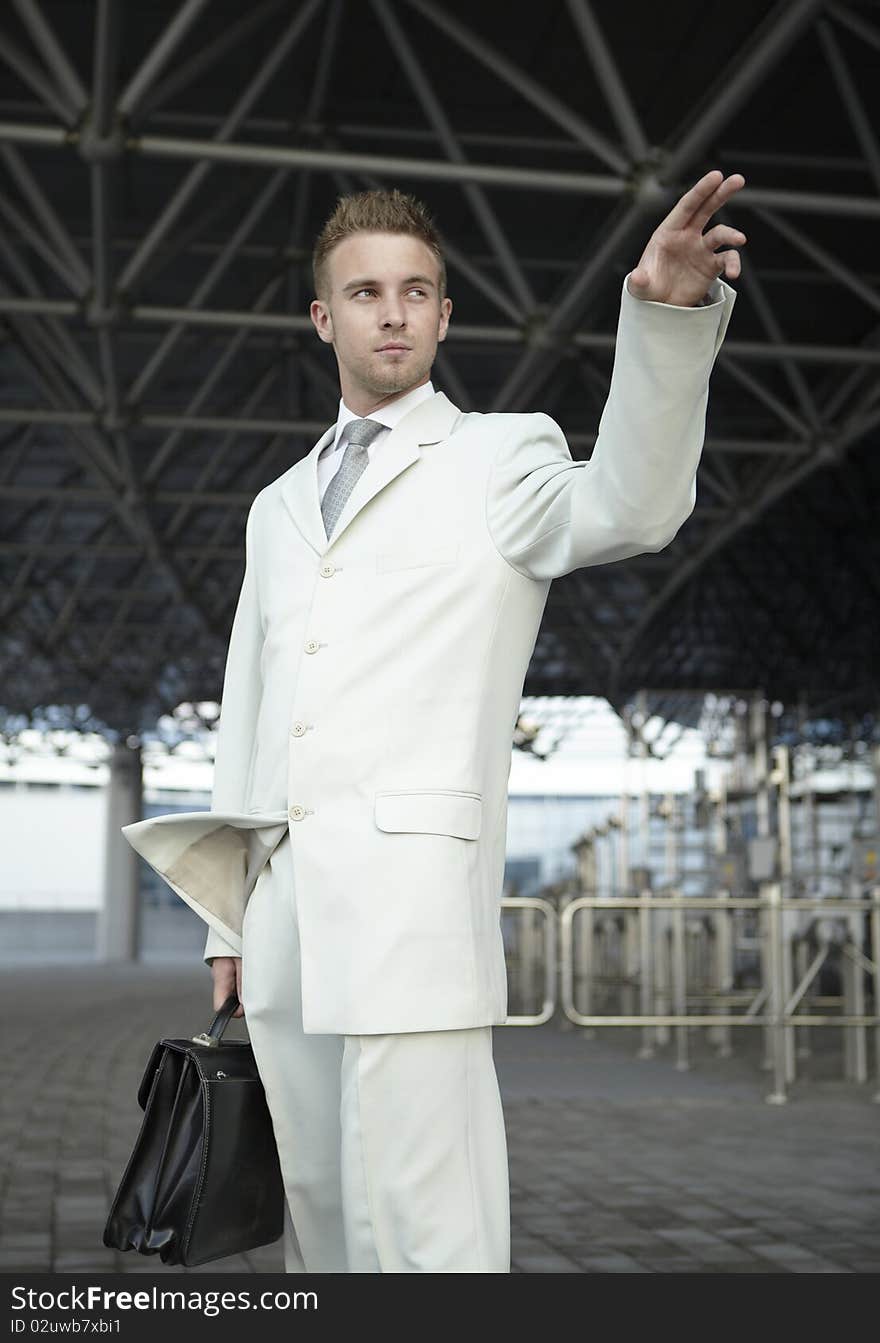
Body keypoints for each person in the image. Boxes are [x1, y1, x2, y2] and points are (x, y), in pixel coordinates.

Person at [130, 171, 743, 1273]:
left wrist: (663, 316)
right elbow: (256, 706)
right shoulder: (277, 505)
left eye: (417, 290)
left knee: (425, 1225)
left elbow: (635, 504)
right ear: (326, 318)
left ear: (445, 315)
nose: (394, 310)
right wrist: (229, 925)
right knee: (319, 1209)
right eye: (366, 292)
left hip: (413, 902)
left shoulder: (498, 456)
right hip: (284, 922)